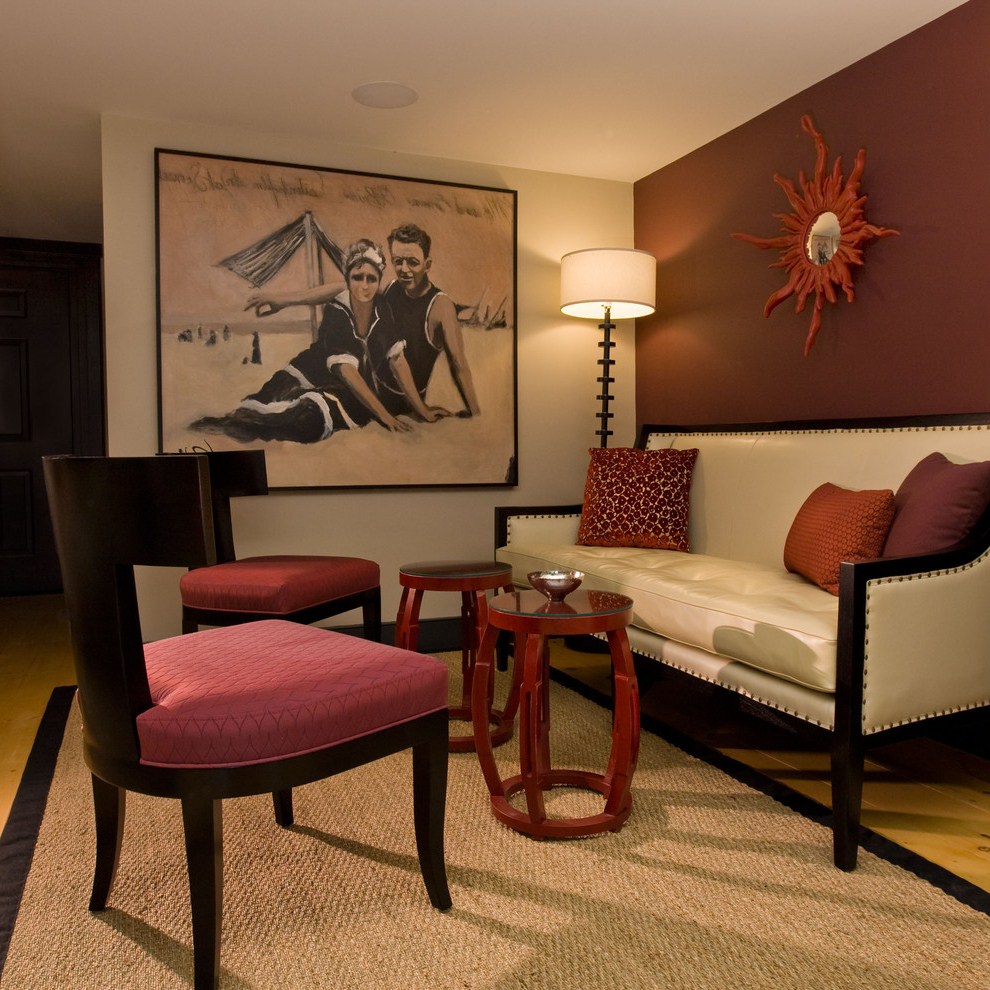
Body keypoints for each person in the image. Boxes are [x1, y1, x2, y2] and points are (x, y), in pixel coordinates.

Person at [191, 240, 418, 443]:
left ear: (379, 281)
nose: (364, 285)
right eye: (357, 278)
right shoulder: (337, 310)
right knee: (266, 397)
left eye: (372, 279)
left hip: (345, 389)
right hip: (312, 370)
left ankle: (242, 424)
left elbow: (396, 360)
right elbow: (345, 366)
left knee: (306, 421)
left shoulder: (383, 309)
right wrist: (282, 301)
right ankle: (232, 422)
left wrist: (422, 410)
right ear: (348, 280)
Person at [379, 223, 481, 419]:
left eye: (412, 262)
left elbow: (458, 362)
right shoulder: (392, 289)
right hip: (374, 391)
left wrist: (475, 413)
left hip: (406, 404)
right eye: (397, 261)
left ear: (428, 264)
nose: (404, 269)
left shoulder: (440, 306)